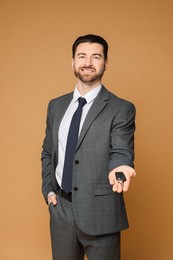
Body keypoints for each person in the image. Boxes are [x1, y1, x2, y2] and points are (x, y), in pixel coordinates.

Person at [41, 34, 136, 260]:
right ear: (72, 61)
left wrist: (120, 168)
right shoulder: (56, 106)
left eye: (96, 57)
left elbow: (121, 150)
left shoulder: (121, 108)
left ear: (105, 63)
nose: (88, 62)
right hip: (61, 211)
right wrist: (48, 190)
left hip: (100, 213)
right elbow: (48, 152)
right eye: (82, 56)